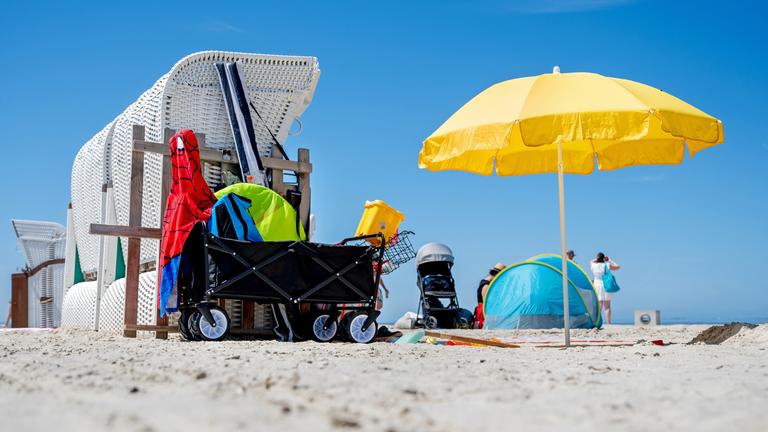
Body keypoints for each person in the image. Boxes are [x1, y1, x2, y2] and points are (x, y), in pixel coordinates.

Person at [590, 252, 620, 324]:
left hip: (597, 285)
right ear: (603, 258)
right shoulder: (607, 265)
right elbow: (617, 267)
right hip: (606, 285)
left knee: (599, 304)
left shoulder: (593, 265)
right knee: (607, 306)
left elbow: (591, 261)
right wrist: (609, 260)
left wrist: (598, 259)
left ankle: (596, 321)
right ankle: (609, 322)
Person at [474, 263, 505, 329]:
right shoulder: (486, 286)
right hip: (482, 315)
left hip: (481, 312)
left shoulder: (484, 282)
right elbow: (487, 305)